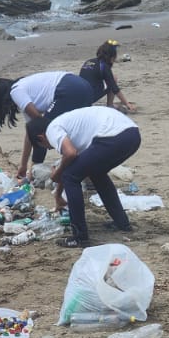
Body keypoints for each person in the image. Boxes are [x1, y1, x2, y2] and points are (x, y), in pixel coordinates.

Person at [28, 106, 140, 249]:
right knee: (96, 173)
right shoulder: (71, 129)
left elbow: (70, 155)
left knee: (70, 176)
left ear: (41, 137)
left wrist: (57, 173)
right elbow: (72, 164)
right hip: (132, 135)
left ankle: (79, 237)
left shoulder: (52, 129)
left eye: (46, 146)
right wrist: (58, 195)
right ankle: (122, 222)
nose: (50, 148)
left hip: (112, 136)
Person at [0, 70, 95, 180]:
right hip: (84, 87)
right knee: (75, 131)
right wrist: (23, 165)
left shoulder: (16, 91)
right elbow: (30, 133)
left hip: (68, 89)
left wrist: (34, 168)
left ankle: (71, 172)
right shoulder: (25, 87)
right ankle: (86, 171)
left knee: (46, 130)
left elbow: (40, 127)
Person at [78, 41, 135, 112]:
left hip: (79, 96)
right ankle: (110, 105)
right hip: (88, 98)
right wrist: (127, 103)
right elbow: (114, 88)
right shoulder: (104, 66)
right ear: (111, 57)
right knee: (114, 78)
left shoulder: (89, 61)